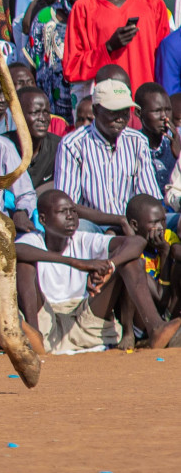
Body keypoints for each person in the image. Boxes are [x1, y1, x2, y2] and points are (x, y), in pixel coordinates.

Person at [15, 189, 180, 353]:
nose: (70, 216)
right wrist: (76, 262)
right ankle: (34, 336)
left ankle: (156, 327)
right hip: (46, 318)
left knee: (131, 260)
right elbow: (15, 249)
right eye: (62, 212)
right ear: (43, 220)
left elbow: (136, 242)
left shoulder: (84, 239)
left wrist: (110, 265)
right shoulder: (33, 240)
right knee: (24, 264)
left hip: (84, 318)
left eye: (73, 211)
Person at [54, 78, 162, 232]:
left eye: (125, 113)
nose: (121, 118)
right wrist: (117, 221)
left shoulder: (137, 141)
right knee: (79, 228)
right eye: (114, 112)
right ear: (96, 110)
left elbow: (149, 196)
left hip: (135, 223)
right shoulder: (72, 145)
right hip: (94, 225)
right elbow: (67, 206)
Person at [29, 0, 98, 119]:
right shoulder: (45, 18)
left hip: (94, 111)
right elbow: (33, 66)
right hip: (53, 114)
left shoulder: (104, 16)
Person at [124, 193, 179, 327]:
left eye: (163, 221)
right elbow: (161, 298)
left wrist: (169, 250)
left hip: (167, 308)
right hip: (143, 319)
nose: (160, 227)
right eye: (154, 222)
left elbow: (178, 252)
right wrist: (164, 252)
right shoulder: (131, 248)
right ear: (135, 225)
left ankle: (171, 321)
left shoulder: (168, 236)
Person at [7, 86, 60, 188]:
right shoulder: (2, 147)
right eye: (35, 113)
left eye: (46, 113)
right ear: (18, 115)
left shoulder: (58, 148)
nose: (42, 119)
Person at [134, 82, 177, 186]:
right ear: (139, 113)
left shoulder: (177, 139)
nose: (164, 117)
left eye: (167, 110)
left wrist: (179, 156)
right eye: (157, 111)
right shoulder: (132, 146)